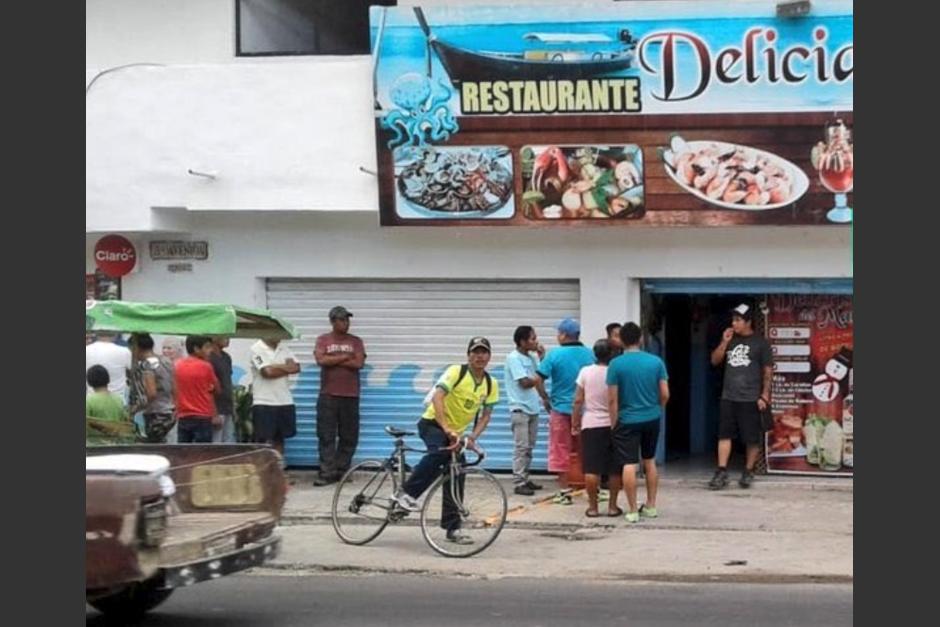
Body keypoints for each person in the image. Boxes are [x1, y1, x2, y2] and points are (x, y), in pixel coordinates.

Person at [391, 337, 499, 546]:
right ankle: (406, 494)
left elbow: (486, 415)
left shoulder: (490, 383)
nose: (479, 356)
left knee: (457, 473)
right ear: (468, 355)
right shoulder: (456, 372)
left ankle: (453, 528)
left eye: (483, 352)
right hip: (432, 423)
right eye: (475, 352)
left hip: (455, 434)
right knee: (439, 453)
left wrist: (472, 437)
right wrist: (447, 427)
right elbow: (437, 397)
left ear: (489, 356)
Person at [607, 322, 669, 523]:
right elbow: (665, 394)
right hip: (651, 417)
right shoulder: (656, 362)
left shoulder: (616, 364)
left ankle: (632, 510)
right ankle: (651, 506)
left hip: (627, 419)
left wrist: (614, 422)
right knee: (649, 461)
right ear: (641, 338)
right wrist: (657, 408)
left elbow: (612, 399)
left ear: (622, 341)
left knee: (629, 464)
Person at [708, 302, 774, 490]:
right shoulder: (731, 340)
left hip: (751, 398)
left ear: (748, 322)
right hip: (729, 397)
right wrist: (724, 341)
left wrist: (764, 395)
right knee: (724, 434)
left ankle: (748, 470)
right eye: (733, 320)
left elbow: (768, 371)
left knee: (751, 437)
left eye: (738, 320)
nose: (734, 323)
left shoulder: (761, 343)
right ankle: (721, 470)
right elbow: (714, 361)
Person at [536, 318, 595, 484]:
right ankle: (586, 484)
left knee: (559, 448)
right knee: (585, 449)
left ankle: (563, 489)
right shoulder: (591, 354)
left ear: (563, 335)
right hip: (585, 411)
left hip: (560, 409)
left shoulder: (554, 354)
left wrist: (545, 398)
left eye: (558, 333)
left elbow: (537, 379)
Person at [313, 306, 367, 486]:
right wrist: (345, 356)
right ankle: (326, 472)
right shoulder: (323, 340)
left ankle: (342, 470)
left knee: (349, 435)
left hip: (350, 395)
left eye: (347, 320)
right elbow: (321, 360)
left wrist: (334, 358)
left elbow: (359, 362)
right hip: (328, 395)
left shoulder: (356, 341)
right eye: (342, 320)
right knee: (326, 435)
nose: (346, 323)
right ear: (333, 321)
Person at [571, 339, 623, 517]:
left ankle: (593, 508)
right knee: (615, 468)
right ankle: (612, 507)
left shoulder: (585, 372)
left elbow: (578, 400)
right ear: (612, 354)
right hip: (614, 424)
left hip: (591, 424)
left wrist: (575, 421)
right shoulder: (616, 372)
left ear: (595, 353)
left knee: (592, 468)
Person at [504, 325, 550, 496]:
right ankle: (519, 481)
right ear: (522, 341)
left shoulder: (531, 358)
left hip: (532, 408)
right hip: (519, 408)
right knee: (521, 447)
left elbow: (538, 380)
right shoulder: (513, 358)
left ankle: (525, 477)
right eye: (532, 338)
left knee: (529, 446)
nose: (535, 341)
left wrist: (544, 397)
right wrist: (542, 371)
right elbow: (525, 382)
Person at [250, 336, 301, 456]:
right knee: (263, 441)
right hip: (264, 402)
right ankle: (263, 471)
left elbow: (296, 367)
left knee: (280, 439)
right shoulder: (256, 349)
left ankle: (278, 469)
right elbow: (268, 373)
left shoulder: (284, 348)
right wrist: (285, 367)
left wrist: (274, 366)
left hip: (284, 401)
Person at [127, 333, 176, 443]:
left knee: (154, 447)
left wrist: (136, 409)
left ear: (136, 348)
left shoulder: (146, 365)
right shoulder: (166, 361)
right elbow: (175, 386)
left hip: (156, 414)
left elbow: (151, 393)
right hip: (170, 411)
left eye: (132, 350)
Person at [174, 335, 221, 443]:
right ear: (196, 349)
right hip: (202, 417)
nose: (211, 350)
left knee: (183, 452)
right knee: (203, 453)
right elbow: (217, 389)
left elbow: (175, 390)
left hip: (183, 416)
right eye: (207, 347)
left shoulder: (177, 365)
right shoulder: (206, 366)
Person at [86, 365, 134, 446]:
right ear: (107, 380)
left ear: (89, 382)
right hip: (115, 444)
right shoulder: (118, 400)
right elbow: (124, 421)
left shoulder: (89, 401)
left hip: (94, 446)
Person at [86, 331, 132, 403]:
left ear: (96, 333)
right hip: (118, 399)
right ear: (115, 334)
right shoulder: (125, 351)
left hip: (91, 398)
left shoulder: (86, 350)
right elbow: (132, 373)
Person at [209, 336, 236, 443]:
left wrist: (233, 407)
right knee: (216, 442)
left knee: (228, 441)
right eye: (225, 335)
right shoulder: (209, 358)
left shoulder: (226, 357)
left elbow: (228, 381)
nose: (228, 338)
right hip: (216, 407)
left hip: (227, 406)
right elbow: (209, 386)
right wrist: (213, 413)